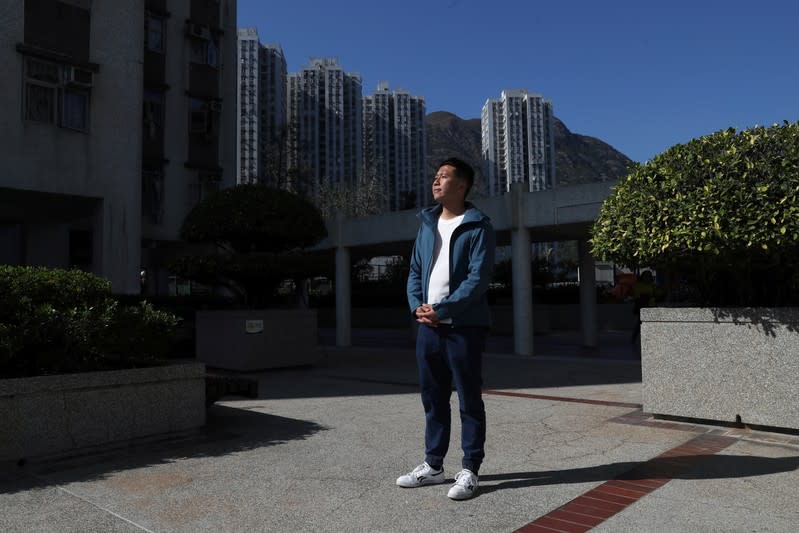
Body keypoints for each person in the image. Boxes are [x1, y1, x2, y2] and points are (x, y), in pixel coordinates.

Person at [397, 157, 496, 500]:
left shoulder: (479, 225)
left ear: (462, 185)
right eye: (435, 176)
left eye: (443, 177)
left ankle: (469, 469)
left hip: (464, 327)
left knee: (469, 399)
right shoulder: (426, 223)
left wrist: (442, 310)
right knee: (433, 397)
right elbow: (413, 272)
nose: (436, 181)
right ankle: (434, 465)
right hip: (429, 328)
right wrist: (417, 308)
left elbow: (478, 281)